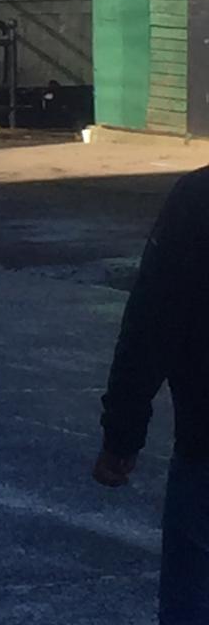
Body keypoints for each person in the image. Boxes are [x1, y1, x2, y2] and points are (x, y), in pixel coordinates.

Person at [94, 165, 209, 625]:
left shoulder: (197, 198)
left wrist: (122, 435)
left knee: (192, 596)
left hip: (206, 440)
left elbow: (151, 321)